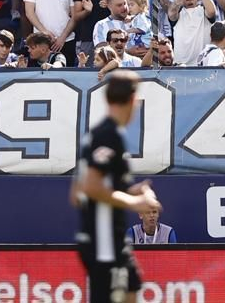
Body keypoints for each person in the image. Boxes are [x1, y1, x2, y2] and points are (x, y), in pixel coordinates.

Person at [72, 71, 160, 303]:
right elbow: (90, 187)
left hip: (109, 239)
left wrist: (131, 191)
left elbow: (77, 193)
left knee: (131, 291)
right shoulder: (108, 135)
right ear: (132, 100)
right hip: (104, 242)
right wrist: (136, 202)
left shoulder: (95, 135)